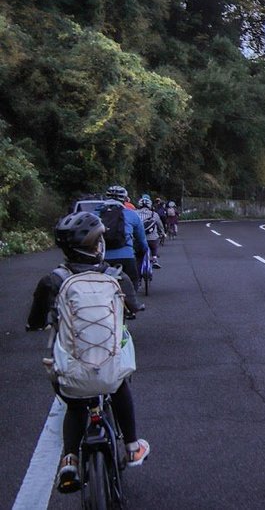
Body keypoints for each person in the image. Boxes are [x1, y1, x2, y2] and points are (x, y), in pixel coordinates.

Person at [25, 211, 150, 493]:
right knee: (118, 386)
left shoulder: (53, 280)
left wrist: (35, 324)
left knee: (75, 403)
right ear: (98, 245)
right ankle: (132, 447)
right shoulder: (116, 276)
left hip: (73, 371)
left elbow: (35, 320)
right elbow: (133, 307)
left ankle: (69, 459)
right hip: (109, 369)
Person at [101, 185, 148, 287]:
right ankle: (132, 303)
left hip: (102, 259)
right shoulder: (132, 215)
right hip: (126, 257)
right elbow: (142, 240)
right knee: (132, 283)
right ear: (125, 199)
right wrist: (143, 250)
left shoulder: (96, 214)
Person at [135, 194, 164, 268]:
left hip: (138, 238)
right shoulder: (154, 214)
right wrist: (162, 233)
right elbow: (160, 225)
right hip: (152, 238)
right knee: (154, 242)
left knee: (137, 254)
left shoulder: (134, 213)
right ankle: (154, 258)